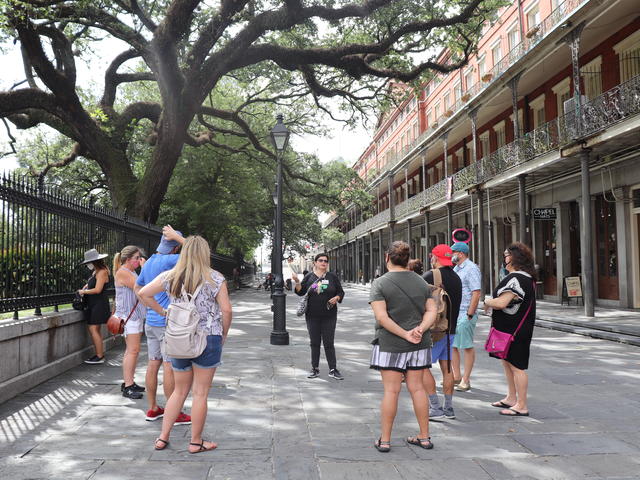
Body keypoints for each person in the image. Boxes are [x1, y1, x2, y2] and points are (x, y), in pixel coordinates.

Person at [139, 236, 232, 453]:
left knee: (179, 391)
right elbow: (226, 310)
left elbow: (143, 293)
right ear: (205, 253)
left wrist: (164, 312)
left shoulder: (171, 276)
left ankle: (162, 437)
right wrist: (223, 334)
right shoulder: (216, 278)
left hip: (178, 338)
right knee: (200, 393)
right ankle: (195, 442)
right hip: (208, 337)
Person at [369, 241, 438, 452]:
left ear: (387, 257)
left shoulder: (380, 283)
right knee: (418, 389)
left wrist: (404, 333)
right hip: (420, 343)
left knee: (391, 391)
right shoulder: (421, 282)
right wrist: (419, 329)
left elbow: (381, 317)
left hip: (391, 344)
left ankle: (385, 440)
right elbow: (432, 311)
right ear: (407, 259)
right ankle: (424, 437)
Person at [135, 226, 191, 425]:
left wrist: (153, 308)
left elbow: (138, 288)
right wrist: (162, 310)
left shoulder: (149, 261)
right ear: (175, 248)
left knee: (153, 364)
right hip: (166, 323)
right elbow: (197, 254)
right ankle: (173, 412)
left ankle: (152, 408)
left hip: (151, 322)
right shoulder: (171, 260)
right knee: (169, 366)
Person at [484, 242, 537, 417]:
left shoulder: (517, 278)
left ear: (515, 257)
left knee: (517, 366)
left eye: (506, 254)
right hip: (511, 330)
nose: (504, 257)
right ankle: (511, 397)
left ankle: (521, 404)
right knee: (507, 363)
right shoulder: (524, 277)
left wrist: (486, 302)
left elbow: (501, 303)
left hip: (514, 331)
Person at [421, 245, 462, 420]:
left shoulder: (431, 276)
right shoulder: (456, 277)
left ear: (434, 258)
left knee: (422, 367)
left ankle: (435, 407)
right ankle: (449, 408)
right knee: (447, 369)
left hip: (434, 331)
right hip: (450, 330)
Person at [292, 254, 345, 380]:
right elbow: (301, 292)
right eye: (320, 260)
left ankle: (333, 369)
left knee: (329, 343)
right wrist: (298, 282)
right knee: (314, 343)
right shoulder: (309, 277)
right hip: (312, 316)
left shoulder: (332, 277)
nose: (323, 263)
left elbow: (340, 291)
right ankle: (314, 368)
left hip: (329, 315)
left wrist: (337, 298)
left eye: (326, 261)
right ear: (315, 263)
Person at [113, 245, 147, 399]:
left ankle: (130, 382)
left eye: (140, 258)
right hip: (129, 317)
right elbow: (142, 286)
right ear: (128, 260)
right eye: (137, 258)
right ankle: (127, 386)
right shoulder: (123, 273)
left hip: (136, 316)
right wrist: (145, 268)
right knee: (132, 351)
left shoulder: (132, 272)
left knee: (134, 350)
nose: (139, 260)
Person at [451, 242, 482, 392]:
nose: (451, 255)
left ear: (461, 254)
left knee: (466, 346)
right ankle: (456, 376)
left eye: (453, 252)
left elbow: (476, 292)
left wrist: (470, 313)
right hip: (456, 312)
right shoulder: (456, 268)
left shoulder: (471, 268)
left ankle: (466, 379)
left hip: (465, 313)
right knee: (454, 345)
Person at [79, 249, 111, 364]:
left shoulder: (102, 271)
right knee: (94, 330)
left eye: (89, 263)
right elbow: (92, 284)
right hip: (93, 304)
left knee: (94, 329)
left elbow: (98, 290)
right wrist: (86, 286)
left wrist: (83, 292)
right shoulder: (96, 272)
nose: (88, 265)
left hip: (99, 304)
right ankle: (99, 354)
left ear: (94, 262)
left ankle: (99, 356)